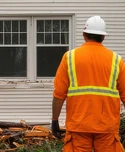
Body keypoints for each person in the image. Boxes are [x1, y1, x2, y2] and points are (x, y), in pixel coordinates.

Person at [52, 15, 125, 152]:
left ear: (84, 34)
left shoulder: (70, 57)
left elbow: (58, 95)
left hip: (78, 126)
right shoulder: (117, 60)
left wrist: (55, 120)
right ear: (103, 37)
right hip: (106, 127)